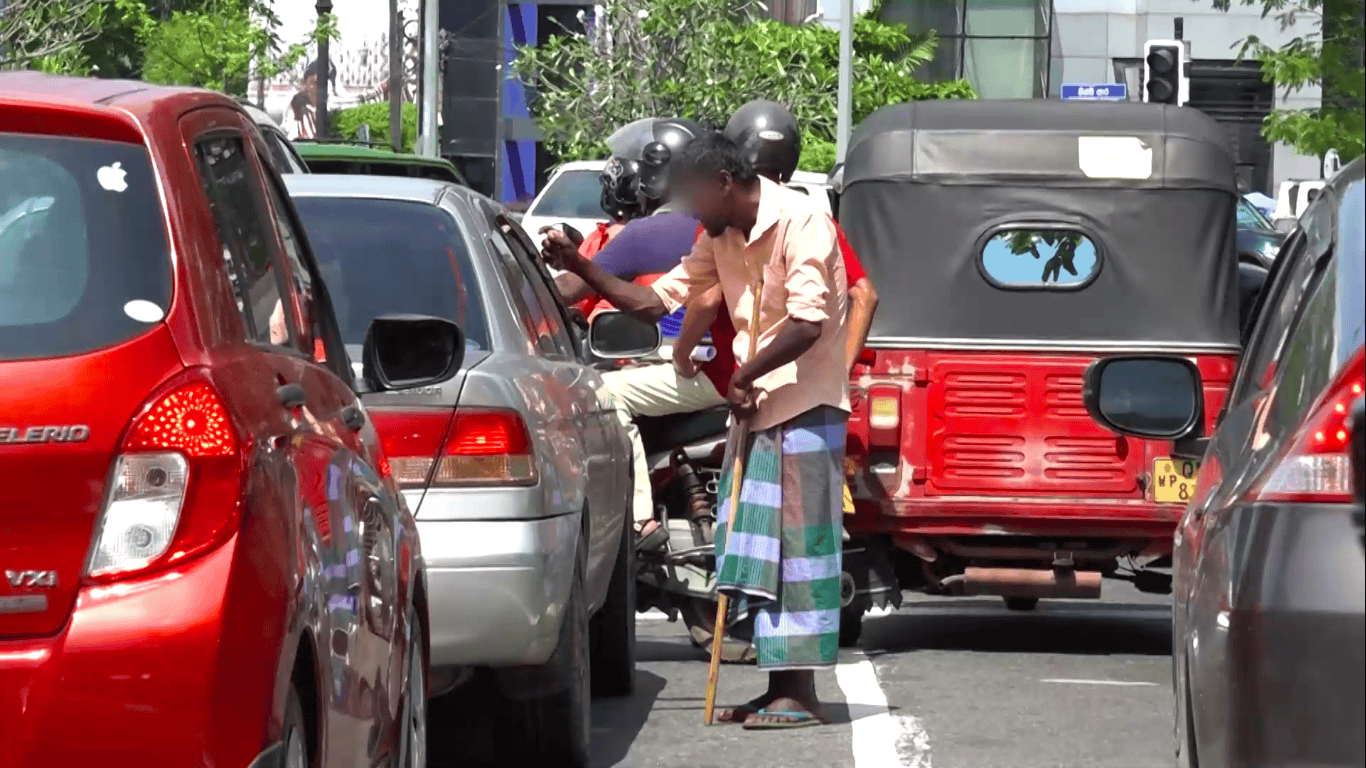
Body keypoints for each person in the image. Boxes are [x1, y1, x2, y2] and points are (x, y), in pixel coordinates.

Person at [542, 131, 849, 729]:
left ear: (725, 184)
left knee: (799, 551)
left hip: (805, 407)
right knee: (761, 548)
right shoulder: (719, 235)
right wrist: (581, 264)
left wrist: (746, 371)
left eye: (693, 197)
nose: (688, 212)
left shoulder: (802, 221)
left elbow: (809, 322)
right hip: (759, 407)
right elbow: (657, 302)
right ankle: (781, 686)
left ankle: (802, 693)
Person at [673, 100, 879, 519]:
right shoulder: (793, 219)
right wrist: (834, 375)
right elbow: (865, 294)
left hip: (746, 389)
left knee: (767, 538)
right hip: (764, 393)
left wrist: (681, 356)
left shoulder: (769, 221)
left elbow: (707, 299)